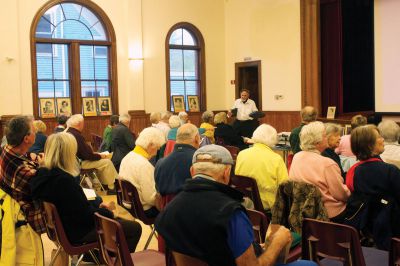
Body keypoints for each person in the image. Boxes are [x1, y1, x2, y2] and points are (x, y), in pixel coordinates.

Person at [155, 145, 316, 266]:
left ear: (192, 171)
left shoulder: (169, 208)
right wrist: (276, 244)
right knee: (308, 264)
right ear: (226, 173)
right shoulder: (230, 212)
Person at [29, 133, 142, 252]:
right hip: (77, 232)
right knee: (134, 228)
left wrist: (97, 207)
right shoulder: (63, 181)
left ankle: (98, 256)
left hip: (61, 230)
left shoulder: (42, 174)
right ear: (68, 154)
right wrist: (106, 212)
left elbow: (75, 207)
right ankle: (116, 260)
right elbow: (85, 216)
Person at [345, 125, 400, 249]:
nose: (383, 139)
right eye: (379, 137)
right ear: (369, 145)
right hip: (391, 229)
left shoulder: (354, 171)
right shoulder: (390, 171)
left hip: (364, 229)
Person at [289, 121, 350, 222]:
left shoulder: (297, 157)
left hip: (302, 212)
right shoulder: (327, 163)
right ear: (317, 141)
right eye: (325, 136)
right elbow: (341, 194)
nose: (327, 137)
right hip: (328, 215)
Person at [0, 116, 46, 235]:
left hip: (12, 203)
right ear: (26, 138)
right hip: (29, 213)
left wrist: (31, 155)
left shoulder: (6, 149)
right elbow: (44, 188)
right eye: (33, 131)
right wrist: (43, 167)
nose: (36, 132)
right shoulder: (23, 169)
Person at [235, 124, 288, 212]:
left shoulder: (241, 154)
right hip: (267, 206)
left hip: (244, 203)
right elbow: (285, 187)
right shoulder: (276, 159)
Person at [119, 127, 166, 218]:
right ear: (151, 145)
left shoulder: (127, 157)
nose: (156, 153)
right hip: (143, 210)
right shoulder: (144, 165)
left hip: (129, 205)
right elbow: (150, 198)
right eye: (157, 148)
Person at [66, 114, 117, 194]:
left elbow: (84, 153)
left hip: (73, 162)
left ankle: (104, 185)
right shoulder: (77, 135)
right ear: (79, 124)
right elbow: (87, 156)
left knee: (102, 162)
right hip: (79, 163)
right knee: (107, 162)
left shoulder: (68, 132)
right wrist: (100, 156)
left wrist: (95, 154)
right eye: (83, 123)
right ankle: (112, 187)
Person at [155, 124, 200, 200]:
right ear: (196, 138)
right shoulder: (198, 161)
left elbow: (158, 197)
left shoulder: (159, 163)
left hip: (166, 210)